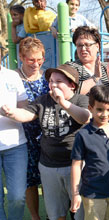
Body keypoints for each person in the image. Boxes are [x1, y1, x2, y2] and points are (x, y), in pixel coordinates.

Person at [0, 64, 90, 220]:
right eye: (51, 81)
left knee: (81, 213)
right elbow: (27, 114)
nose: (53, 84)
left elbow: (85, 117)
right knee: (56, 214)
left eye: (58, 81)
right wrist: (11, 113)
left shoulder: (81, 100)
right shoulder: (43, 100)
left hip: (75, 166)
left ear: (72, 85)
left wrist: (63, 102)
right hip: (49, 166)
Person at [70, 85, 109, 219]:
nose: (105, 114)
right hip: (92, 193)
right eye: (100, 109)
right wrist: (75, 193)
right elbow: (76, 165)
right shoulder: (83, 135)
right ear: (90, 109)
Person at [16, 37, 50, 220]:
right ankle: (35, 216)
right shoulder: (14, 78)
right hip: (23, 137)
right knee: (29, 182)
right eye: (31, 60)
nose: (36, 64)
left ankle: (50, 214)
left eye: (39, 59)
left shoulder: (48, 79)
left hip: (46, 137)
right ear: (21, 56)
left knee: (47, 179)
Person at [66, 26, 109, 97]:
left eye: (87, 45)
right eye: (79, 45)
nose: (83, 48)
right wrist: (95, 78)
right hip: (83, 107)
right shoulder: (70, 67)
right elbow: (70, 92)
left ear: (97, 46)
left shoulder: (106, 66)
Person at [0, 65, 29, 220]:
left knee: (18, 196)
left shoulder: (12, 75)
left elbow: (25, 106)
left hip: (16, 144)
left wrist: (14, 113)